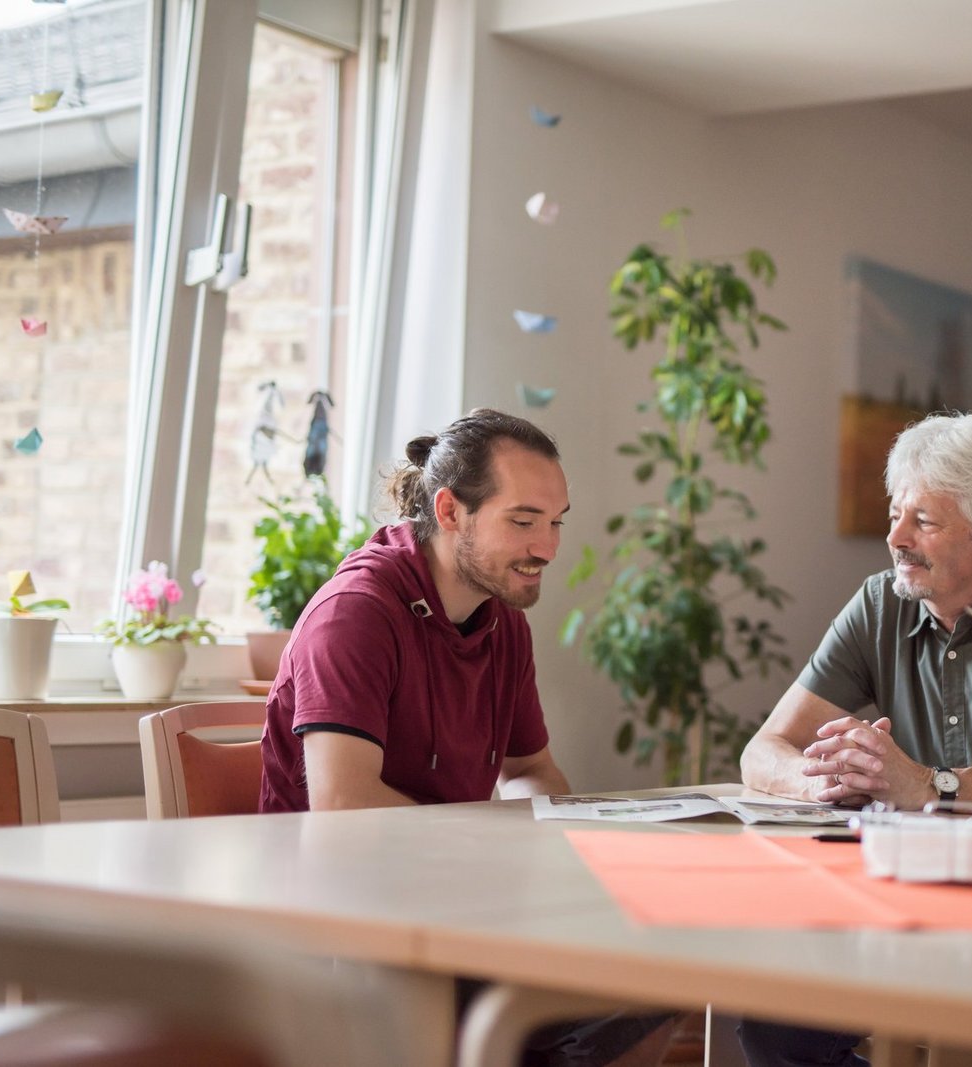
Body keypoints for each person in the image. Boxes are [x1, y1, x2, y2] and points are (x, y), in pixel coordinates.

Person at [259, 408, 674, 1067]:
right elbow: (342, 808)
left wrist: (539, 853)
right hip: (349, 928)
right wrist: (498, 852)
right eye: (523, 520)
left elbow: (533, 770)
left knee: (665, 963)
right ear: (450, 511)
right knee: (611, 991)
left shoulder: (502, 623)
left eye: (556, 521)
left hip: (458, 906)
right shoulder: (356, 614)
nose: (549, 547)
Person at [736, 411, 972, 1067]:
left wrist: (935, 786)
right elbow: (763, 750)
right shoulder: (880, 603)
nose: (895, 537)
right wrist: (831, 775)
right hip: (903, 904)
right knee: (774, 1021)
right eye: (896, 513)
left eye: (923, 521)